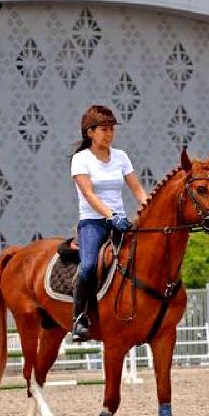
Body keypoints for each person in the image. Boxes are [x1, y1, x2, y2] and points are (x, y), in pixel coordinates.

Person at [69, 105, 149, 342]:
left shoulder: (121, 156)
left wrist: (148, 209)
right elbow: (89, 195)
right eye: (104, 129)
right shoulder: (80, 159)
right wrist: (111, 216)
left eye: (111, 129)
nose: (109, 133)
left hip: (121, 222)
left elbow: (137, 189)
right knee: (88, 266)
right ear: (90, 132)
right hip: (93, 223)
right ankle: (79, 318)